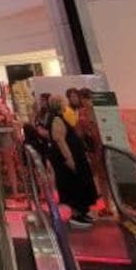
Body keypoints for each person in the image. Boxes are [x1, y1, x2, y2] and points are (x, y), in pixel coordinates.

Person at [46, 95, 98, 227]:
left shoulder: (59, 118)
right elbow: (60, 140)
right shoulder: (57, 119)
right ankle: (76, 214)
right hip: (68, 159)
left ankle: (81, 212)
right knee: (75, 184)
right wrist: (69, 159)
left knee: (80, 183)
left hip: (74, 156)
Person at [75, 88, 112, 215]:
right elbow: (79, 131)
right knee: (100, 176)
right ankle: (107, 204)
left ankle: (110, 204)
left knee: (105, 175)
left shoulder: (97, 111)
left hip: (100, 144)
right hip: (90, 145)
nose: (84, 101)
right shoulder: (82, 112)